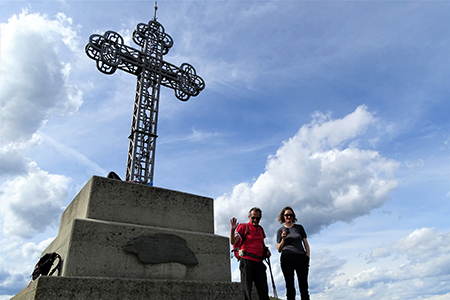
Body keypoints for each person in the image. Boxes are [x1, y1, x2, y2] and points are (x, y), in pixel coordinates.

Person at [230, 207, 271, 300]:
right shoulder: (243, 227)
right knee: (247, 291)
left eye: (258, 218)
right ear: (249, 217)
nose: (255, 220)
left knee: (264, 291)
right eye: (253, 218)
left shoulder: (260, 229)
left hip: (259, 262)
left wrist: (266, 252)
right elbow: (232, 241)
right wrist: (232, 230)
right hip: (247, 261)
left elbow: (261, 243)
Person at [276, 206, 310, 300]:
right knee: (290, 286)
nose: (288, 217)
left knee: (303, 286)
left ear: (293, 216)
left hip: (300, 257)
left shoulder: (299, 228)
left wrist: (307, 257)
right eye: (286, 215)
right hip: (287, 258)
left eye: (290, 215)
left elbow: (306, 243)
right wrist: (283, 239)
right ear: (283, 216)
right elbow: (279, 249)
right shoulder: (280, 231)